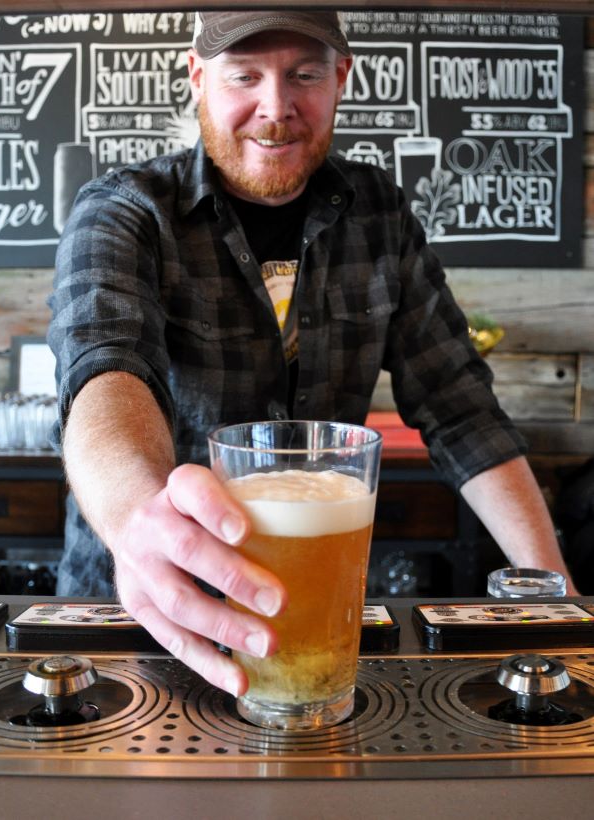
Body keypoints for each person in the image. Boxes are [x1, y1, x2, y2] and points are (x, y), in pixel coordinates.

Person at [48, 11, 576, 697]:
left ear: (341, 77)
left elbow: (461, 409)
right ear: (197, 76)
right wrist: (135, 520)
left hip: (311, 619)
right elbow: (105, 368)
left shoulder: (378, 213)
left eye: (303, 74)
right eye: (244, 76)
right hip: (138, 613)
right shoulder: (124, 210)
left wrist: (555, 602)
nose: (275, 108)